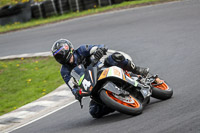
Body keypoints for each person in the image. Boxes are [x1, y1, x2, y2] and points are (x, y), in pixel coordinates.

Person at [51, 39, 149, 118]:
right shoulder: (64, 71)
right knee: (94, 111)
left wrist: (99, 50)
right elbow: (72, 86)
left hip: (101, 70)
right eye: (57, 57)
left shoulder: (81, 50)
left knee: (115, 57)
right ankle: (116, 103)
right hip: (92, 86)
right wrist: (77, 93)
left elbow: (100, 47)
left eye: (61, 54)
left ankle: (137, 70)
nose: (60, 58)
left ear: (68, 49)